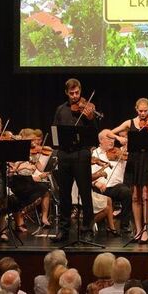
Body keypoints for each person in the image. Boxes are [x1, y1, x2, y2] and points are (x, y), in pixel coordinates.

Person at [109, 98, 148, 243]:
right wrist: (119, 138)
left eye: (145, 111)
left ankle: (146, 229)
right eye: (140, 110)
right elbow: (107, 133)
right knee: (135, 197)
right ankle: (138, 230)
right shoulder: (129, 123)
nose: (143, 113)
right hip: (134, 161)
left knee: (146, 196)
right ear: (136, 109)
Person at [51, 78, 97, 242]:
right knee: (64, 194)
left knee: (85, 193)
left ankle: (87, 229)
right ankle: (63, 229)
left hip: (81, 154)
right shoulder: (60, 110)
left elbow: (93, 134)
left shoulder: (88, 110)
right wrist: (57, 150)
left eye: (77, 92)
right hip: (64, 155)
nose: (75, 96)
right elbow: (55, 133)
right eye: (72, 93)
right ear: (66, 93)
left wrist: (90, 118)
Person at [9, 129, 51, 233]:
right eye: (31, 139)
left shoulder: (33, 152)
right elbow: (12, 169)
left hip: (28, 180)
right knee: (20, 198)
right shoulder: (16, 150)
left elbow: (40, 168)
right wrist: (24, 167)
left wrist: (44, 163)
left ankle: (43, 218)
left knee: (45, 190)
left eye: (34, 140)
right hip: (17, 180)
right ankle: (20, 220)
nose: (33, 142)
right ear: (24, 139)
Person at [91, 129, 132, 234]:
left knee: (126, 192)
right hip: (99, 187)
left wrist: (126, 149)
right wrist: (97, 183)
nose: (112, 141)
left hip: (116, 187)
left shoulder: (118, 152)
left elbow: (129, 163)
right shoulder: (94, 154)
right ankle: (101, 223)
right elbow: (90, 174)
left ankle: (125, 225)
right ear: (100, 140)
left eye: (113, 139)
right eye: (108, 138)